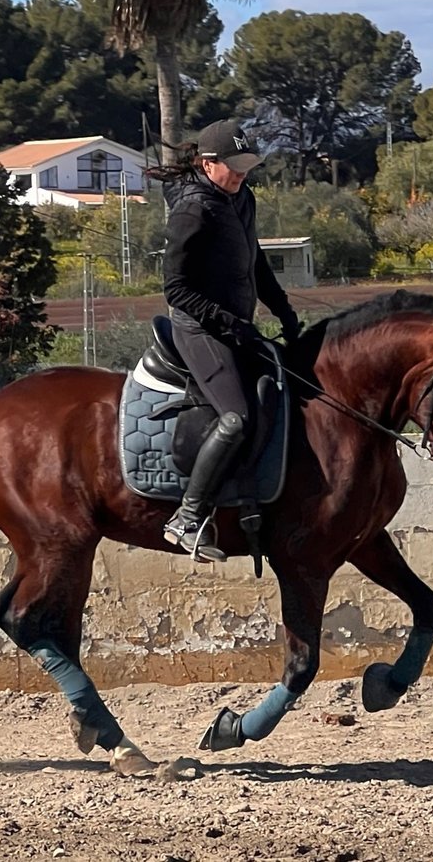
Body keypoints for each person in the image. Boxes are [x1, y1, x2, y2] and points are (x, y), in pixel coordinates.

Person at [156, 119, 303, 563]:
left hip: (236, 324)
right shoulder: (191, 210)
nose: (241, 175)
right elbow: (175, 289)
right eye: (234, 168)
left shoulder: (242, 199)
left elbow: (257, 265)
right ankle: (186, 518)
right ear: (207, 163)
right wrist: (226, 321)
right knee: (236, 417)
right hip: (198, 328)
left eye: (246, 168)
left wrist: (284, 311)